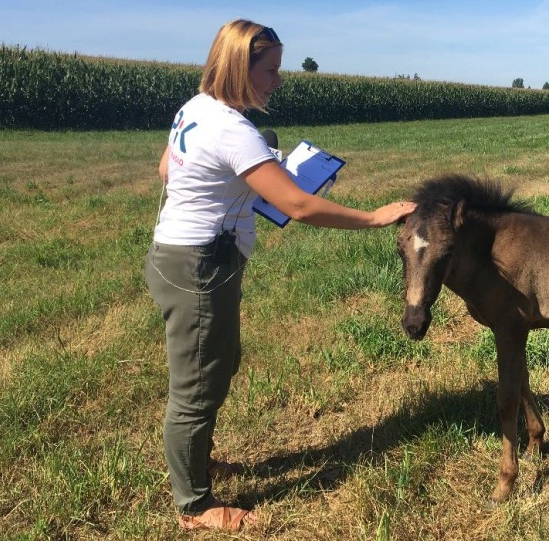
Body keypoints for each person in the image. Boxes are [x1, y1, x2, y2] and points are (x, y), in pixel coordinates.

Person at [144, 19, 416, 532]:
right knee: (197, 386)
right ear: (239, 66)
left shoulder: (196, 109)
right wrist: (375, 217)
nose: (278, 80)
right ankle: (195, 505)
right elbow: (296, 204)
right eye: (270, 69)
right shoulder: (232, 128)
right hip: (198, 267)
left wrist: (233, 180)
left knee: (217, 364)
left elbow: (165, 170)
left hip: (177, 257)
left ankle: (196, 462)